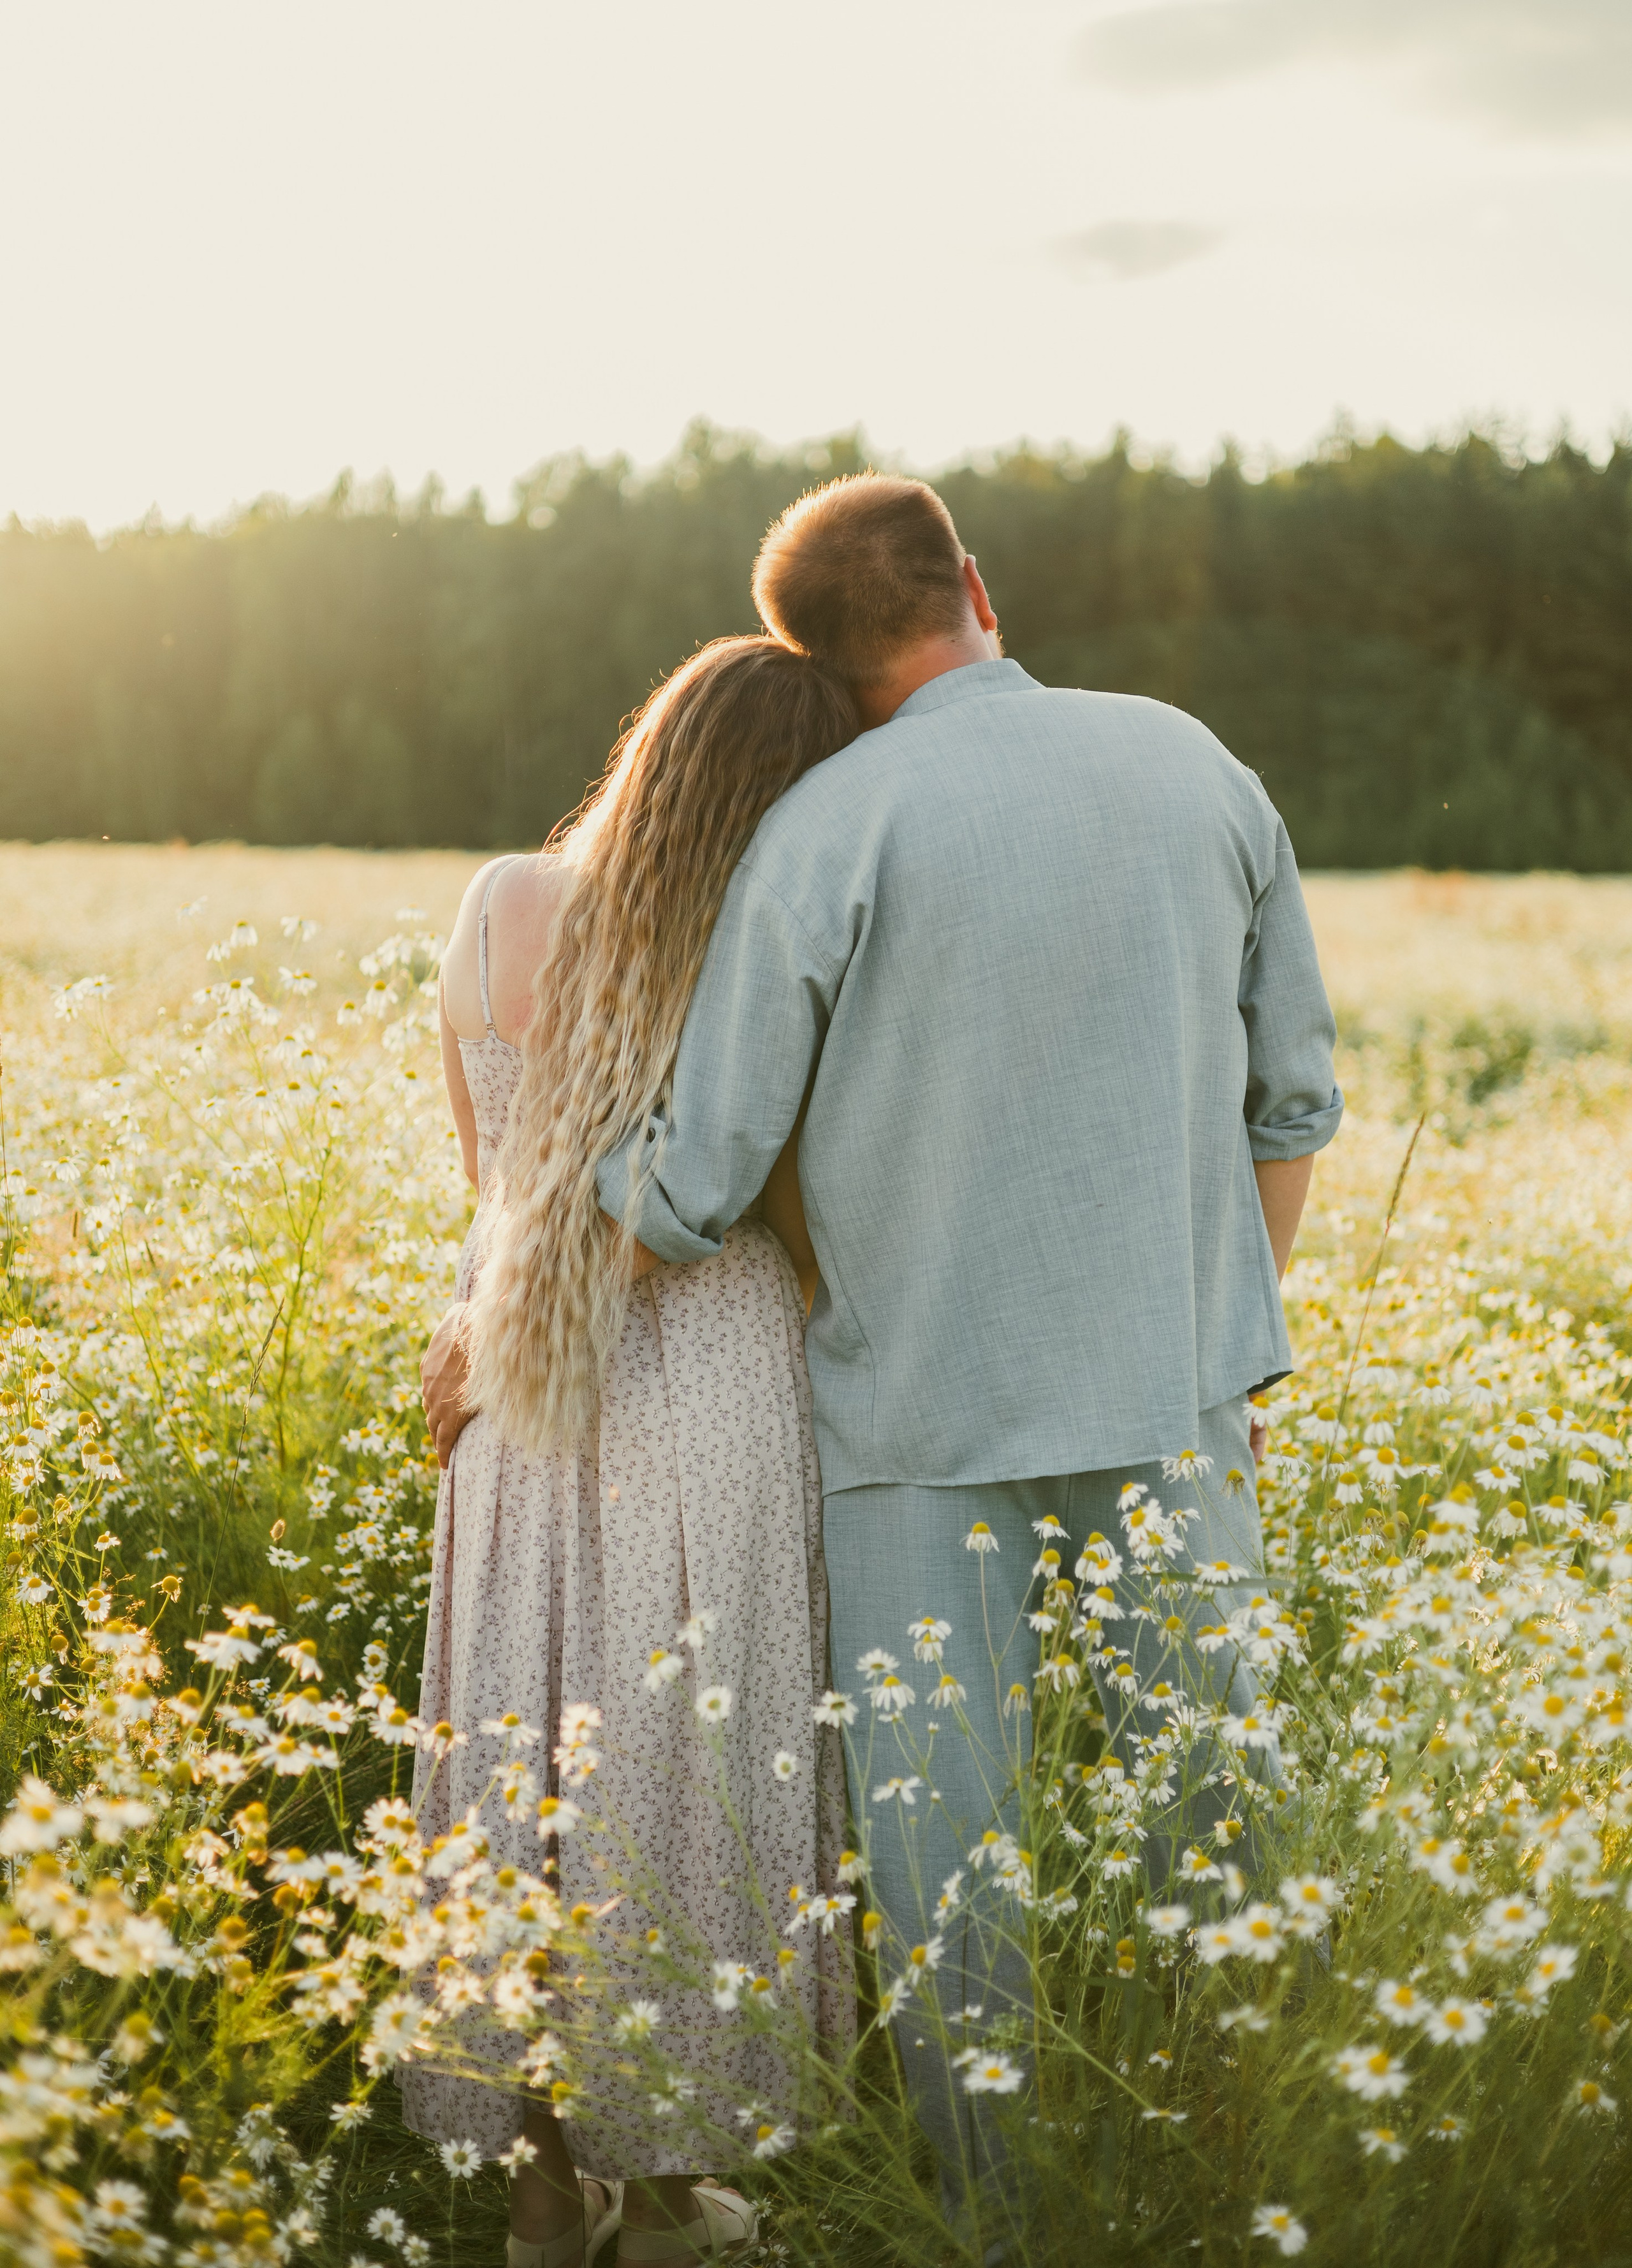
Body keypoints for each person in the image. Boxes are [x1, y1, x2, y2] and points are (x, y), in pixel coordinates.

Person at [582, 475, 1344, 2207]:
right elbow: (1290, 1105)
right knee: (1219, 1834)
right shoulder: (1193, 761)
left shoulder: (825, 830)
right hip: (1172, 1409)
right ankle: (1245, 2199)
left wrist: (519, 1272)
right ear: (975, 589)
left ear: (817, 664)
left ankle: (1001, 2228)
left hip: (913, 1435)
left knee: (948, 1886)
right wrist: (1220, 1349)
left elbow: (695, 1173)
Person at [404, 637, 859, 2267]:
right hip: (710, 1360)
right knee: (684, 1751)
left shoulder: (500, 903)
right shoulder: (764, 938)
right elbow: (793, 1198)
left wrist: (510, 1301)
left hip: (517, 1345)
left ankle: (546, 2188)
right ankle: (668, 2181)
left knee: (524, 1730)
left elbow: (492, 1170)